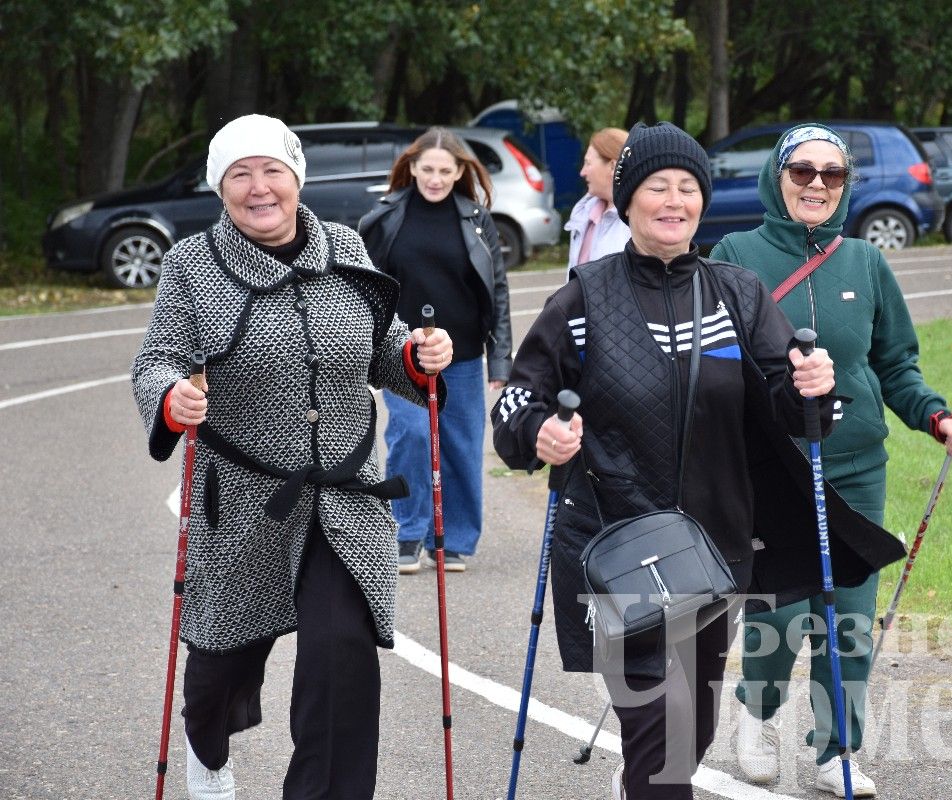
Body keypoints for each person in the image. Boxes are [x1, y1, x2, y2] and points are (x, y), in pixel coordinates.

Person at [491, 121, 903, 800]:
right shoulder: (584, 298)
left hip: (713, 553)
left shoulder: (736, 294)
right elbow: (516, 409)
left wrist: (813, 390)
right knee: (660, 737)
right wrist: (540, 432)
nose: (674, 201)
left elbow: (794, 410)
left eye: (688, 188)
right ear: (628, 202)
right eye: (658, 187)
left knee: (690, 729)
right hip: (618, 548)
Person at [131, 114, 453, 799]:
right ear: (220, 188)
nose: (258, 188)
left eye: (272, 170)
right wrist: (170, 399)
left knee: (341, 656)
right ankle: (208, 754)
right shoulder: (193, 264)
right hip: (241, 501)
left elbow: (382, 346)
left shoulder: (343, 246)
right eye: (238, 174)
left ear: (296, 177)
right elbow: (158, 360)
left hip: (345, 498)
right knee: (218, 669)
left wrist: (417, 360)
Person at [711, 123, 952, 797]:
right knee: (778, 616)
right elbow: (712, 366)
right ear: (778, 176)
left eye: (831, 174)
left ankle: (836, 749)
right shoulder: (735, 255)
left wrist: (936, 416)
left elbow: (895, 365)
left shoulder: (865, 262)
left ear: (846, 184)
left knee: (849, 620)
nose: (817, 185)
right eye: (803, 171)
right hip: (772, 469)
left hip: (856, 466)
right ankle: (759, 712)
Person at [359, 127, 511, 572]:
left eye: (446, 171)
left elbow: (497, 291)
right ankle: (408, 533)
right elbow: (363, 289)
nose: (436, 178)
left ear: (461, 171)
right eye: (428, 169)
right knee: (411, 436)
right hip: (403, 355)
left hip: (463, 355)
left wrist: (499, 358)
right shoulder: (384, 217)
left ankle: (456, 539)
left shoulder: (476, 218)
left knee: (461, 446)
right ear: (411, 167)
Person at [565, 127, 632, 274]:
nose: (582, 172)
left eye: (588, 163)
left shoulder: (635, 223)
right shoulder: (583, 212)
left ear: (613, 166)